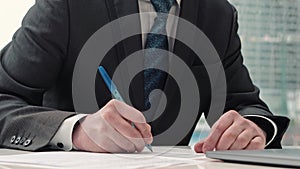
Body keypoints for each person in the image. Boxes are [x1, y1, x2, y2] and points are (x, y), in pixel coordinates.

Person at [0, 0, 289, 153]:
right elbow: (4, 99)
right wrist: (76, 130)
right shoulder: (68, 5)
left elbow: (246, 106)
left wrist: (255, 129)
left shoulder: (219, 14)